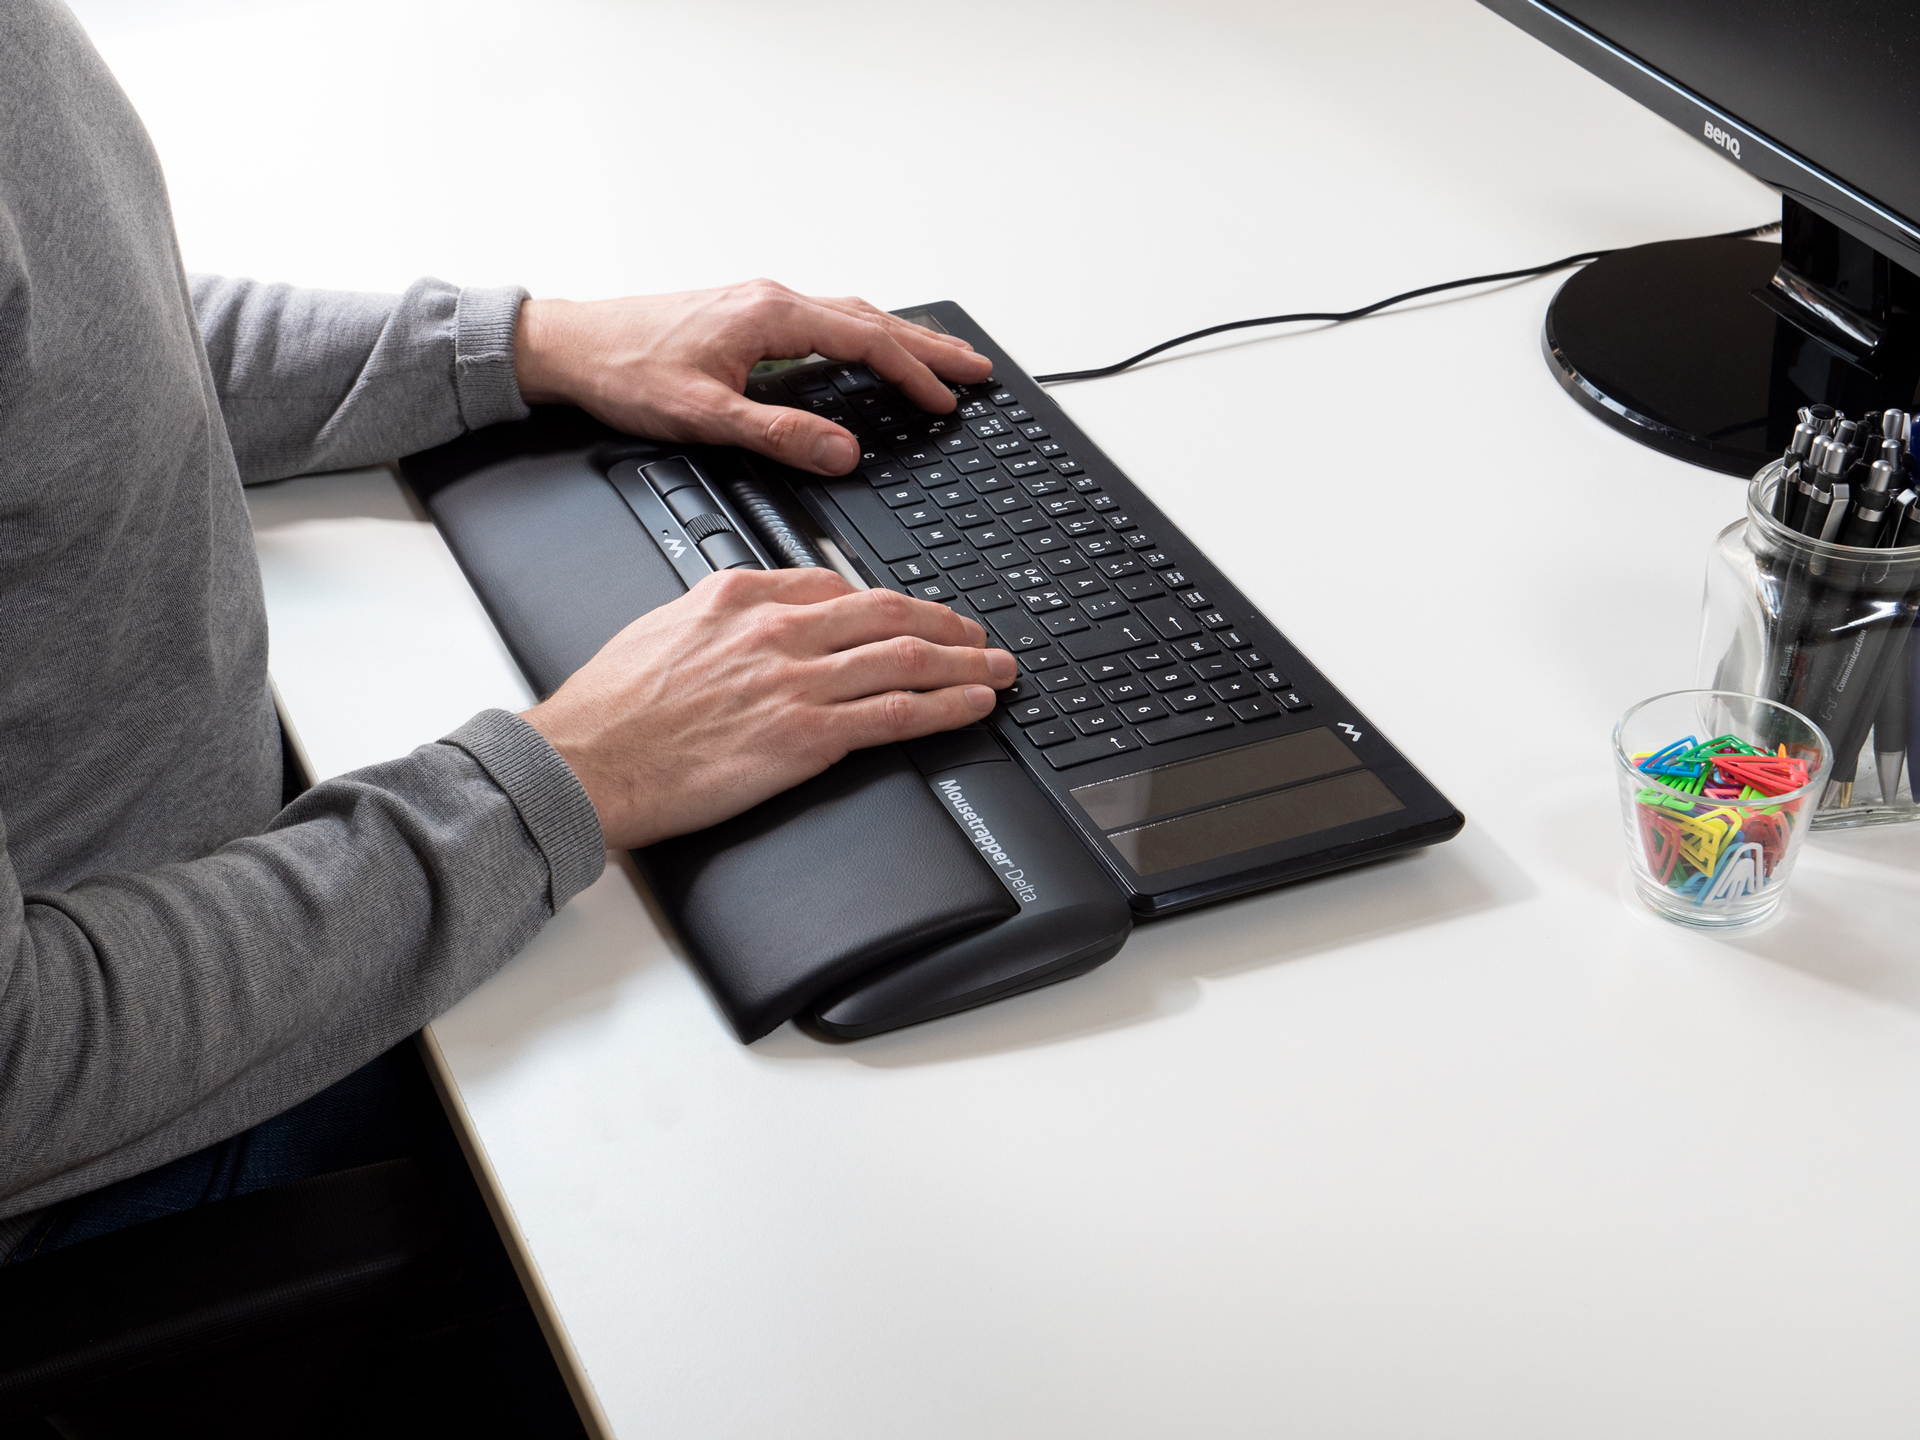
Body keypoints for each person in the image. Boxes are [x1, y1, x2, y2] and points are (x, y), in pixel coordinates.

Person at [0, 0, 1013, 1257]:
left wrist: (523, 349)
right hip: (127, 1152)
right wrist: (576, 775)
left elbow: (78, 341)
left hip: (214, 879)